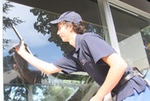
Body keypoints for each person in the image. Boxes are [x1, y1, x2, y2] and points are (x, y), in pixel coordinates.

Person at [16, 11, 150, 101]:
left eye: (59, 27)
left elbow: (119, 65)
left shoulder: (87, 39)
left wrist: (99, 96)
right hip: (122, 95)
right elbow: (49, 69)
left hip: (134, 91)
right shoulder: (75, 55)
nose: (57, 33)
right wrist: (23, 53)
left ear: (69, 26)